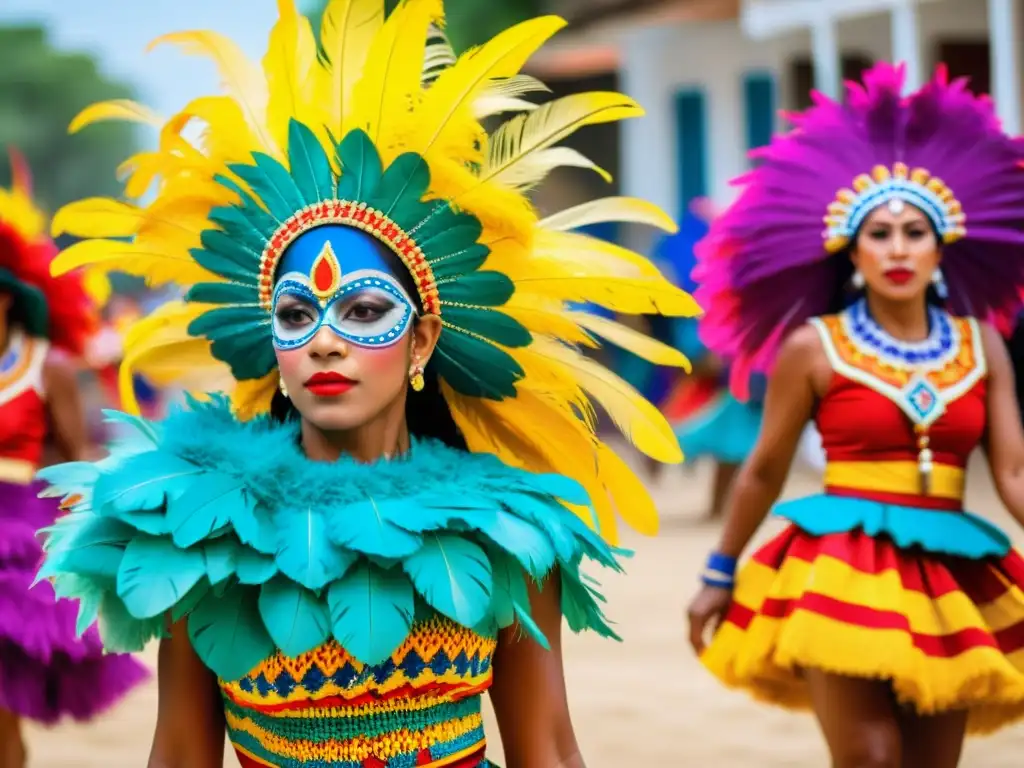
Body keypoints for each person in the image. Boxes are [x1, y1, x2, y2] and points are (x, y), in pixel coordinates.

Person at [35, 2, 698, 766]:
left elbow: (545, 749)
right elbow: (181, 754)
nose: (324, 341)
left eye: (364, 311)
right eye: (295, 314)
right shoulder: (200, 537)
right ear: (272, 346)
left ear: (422, 338)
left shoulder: (506, 534)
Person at [685, 62, 1024, 767]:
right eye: (879, 234)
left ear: (941, 247)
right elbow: (765, 467)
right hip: (841, 564)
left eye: (914, 232)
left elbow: (1014, 471)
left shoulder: (981, 343)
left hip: (953, 569)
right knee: (870, 756)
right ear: (852, 249)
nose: (898, 248)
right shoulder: (814, 347)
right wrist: (719, 573)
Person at [0, 150, 148, 767]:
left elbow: (76, 456)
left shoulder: (48, 366)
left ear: (8, 297)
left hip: (14, 539)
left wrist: (86, 537)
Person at [657, 200, 763, 519]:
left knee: (738, 449)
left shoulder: (749, 281)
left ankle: (725, 508)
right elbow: (700, 335)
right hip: (728, 378)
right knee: (731, 447)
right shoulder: (713, 285)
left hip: (745, 376)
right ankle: (722, 508)